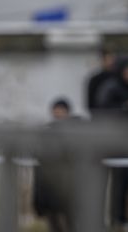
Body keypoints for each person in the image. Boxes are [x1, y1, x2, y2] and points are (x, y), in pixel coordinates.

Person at [96, 57, 128, 229]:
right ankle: (107, 219)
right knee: (111, 185)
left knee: (127, 184)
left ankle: (121, 218)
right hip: (112, 144)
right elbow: (103, 112)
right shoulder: (110, 87)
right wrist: (126, 107)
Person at [33, 98, 80, 232]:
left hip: (68, 189)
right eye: (56, 110)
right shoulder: (46, 132)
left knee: (70, 222)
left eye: (61, 111)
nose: (58, 114)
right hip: (50, 189)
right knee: (54, 223)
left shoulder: (76, 132)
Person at [86, 47, 118, 116]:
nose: (110, 62)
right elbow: (90, 104)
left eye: (112, 59)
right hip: (100, 117)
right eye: (107, 59)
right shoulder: (94, 80)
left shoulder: (119, 78)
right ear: (102, 60)